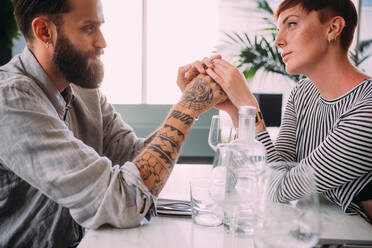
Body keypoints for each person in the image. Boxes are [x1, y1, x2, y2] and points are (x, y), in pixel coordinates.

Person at [0, 0, 226, 247]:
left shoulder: (82, 89)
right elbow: (122, 201)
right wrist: (188, 107)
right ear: (45, 31)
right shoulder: (10, 100)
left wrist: (188, 105)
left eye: (100, 27)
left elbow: (135, 158)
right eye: (88, 28)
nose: (102, 42)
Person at [192, 0, 372, 223]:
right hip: (328, 230)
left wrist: (249, 105)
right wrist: (236, 110)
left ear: (333, 28)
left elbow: (280, 189)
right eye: (279, 29)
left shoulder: (367, 108)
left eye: (292, 24)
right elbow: (269, 170)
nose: (278, 41)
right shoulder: (302, 94)